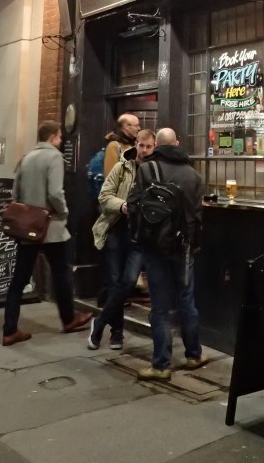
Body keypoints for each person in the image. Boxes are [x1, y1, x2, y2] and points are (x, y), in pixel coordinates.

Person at [2, 120, 93, 346]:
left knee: (19, 279)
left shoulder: (26, 158)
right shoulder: (53, 157)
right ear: (53, 137)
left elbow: (15, 194)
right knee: (61, 273)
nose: (61, 141)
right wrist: (64, 211)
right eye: (60, 137)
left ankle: (9, 329)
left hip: (27, 228)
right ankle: (69, 319)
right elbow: (54, 192)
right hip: (50, 226)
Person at [136, 127, 205, 381]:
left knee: (161, 306)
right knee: (187, 300)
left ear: (157, 145)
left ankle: (161, 365)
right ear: (177, 143)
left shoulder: (146, 170)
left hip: (155, 248)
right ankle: (194, 355)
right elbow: (198, 216)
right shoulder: (193, 175)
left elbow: (135, 207)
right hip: (184, 248)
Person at [87, 128, 156, 351]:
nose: (144, 150)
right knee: (116, 282)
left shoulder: (155, 171)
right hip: (117, 230)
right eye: (141, 145)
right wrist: (123, 206)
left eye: (148, 146)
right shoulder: (121, 168)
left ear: (154, 147)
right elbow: (104, 197)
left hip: (138, 235)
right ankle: (116, 332)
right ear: (135, 145)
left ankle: (99, 323)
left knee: (127, 282)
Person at [103, 113, 140, 177]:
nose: (139, 128)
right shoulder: (114, 146)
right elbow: (110, 176)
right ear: (126, 127)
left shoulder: (133, 144)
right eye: (136, 125)